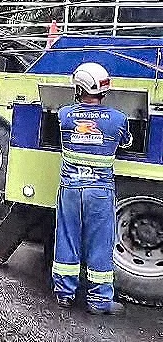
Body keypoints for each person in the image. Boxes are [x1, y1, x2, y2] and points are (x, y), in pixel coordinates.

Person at [53, 62, 132, 316]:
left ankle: (64, 294)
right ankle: (99, 301)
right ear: (103, 90)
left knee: (67, 238)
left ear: (79, 88)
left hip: (70, 189)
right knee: (99, 244)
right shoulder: (118, 119)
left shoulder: (65, 115)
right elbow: (127, 142)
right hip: (99, 191)